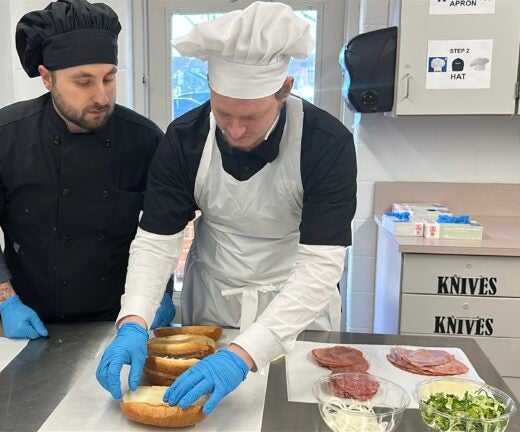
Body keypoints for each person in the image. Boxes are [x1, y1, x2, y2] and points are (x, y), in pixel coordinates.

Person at [96, 1, 357, 415]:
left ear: (284, 90)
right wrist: (134, 318)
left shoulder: (326, 144)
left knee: (295, 417)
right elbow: (156, 242)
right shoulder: (184, 139)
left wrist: (243, 355)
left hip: (295, 306)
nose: (234, 130)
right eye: (223, 112)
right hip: (213, 302)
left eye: (250, 116)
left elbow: (321, 265)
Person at [0, 0, 174, 340]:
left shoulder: (145, 140)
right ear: (47, 78)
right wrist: (6, 302)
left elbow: (162, 228)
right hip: (31, 316)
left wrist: (160, 295)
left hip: (122, 321)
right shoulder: (0, 137)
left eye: (109, 78)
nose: (102, 96)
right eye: (83, 82)